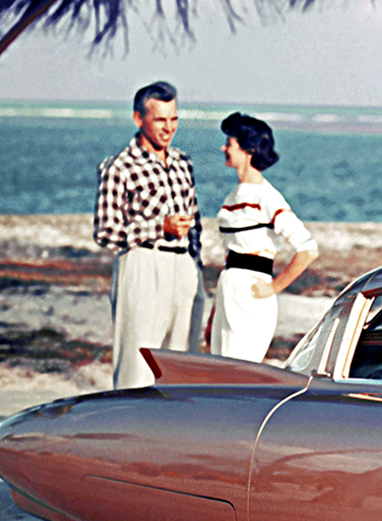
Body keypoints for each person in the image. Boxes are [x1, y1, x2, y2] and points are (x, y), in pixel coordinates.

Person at [94, 81, 203, 389]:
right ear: (138, 119)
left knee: (184, 364)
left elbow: (195, 223)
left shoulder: (183, 162)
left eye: (174, 119)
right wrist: (160, 227)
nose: (168, 128)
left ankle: (175, 422)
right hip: (142, 264)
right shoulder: (119, 167)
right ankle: (130, 420)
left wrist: (196, 268)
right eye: (160, 120)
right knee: (137, 363)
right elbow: (106, 231)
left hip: (184, 266)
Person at [213, 112, 318, 363]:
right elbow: (231, 255)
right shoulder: (232, 197)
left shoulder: (267, 197)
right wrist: (213, 316)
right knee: (220, 370)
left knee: (238, 371)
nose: (224, 148)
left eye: (229, 143)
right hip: (228, 289)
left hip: (251, 293)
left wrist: (273, 287)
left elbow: (308, 250)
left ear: (248, 149)